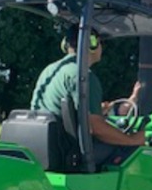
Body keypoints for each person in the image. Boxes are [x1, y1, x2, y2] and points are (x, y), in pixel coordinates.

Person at [31, 26, 144, 167]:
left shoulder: (49, 71)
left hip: (49, 149)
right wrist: (133, 140)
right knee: (134, 152)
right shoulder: (84, 77)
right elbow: (97, 128)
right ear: (92, 43)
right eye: (100, 42)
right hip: (72, 154)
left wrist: (96, 112)